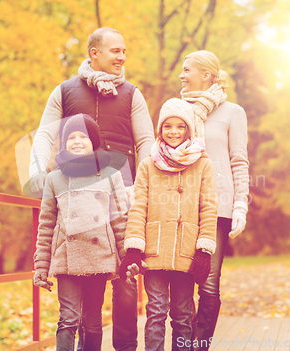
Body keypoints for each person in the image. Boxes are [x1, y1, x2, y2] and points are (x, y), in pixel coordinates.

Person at [28, 27, 154, 351]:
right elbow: (44, 134)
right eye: (116, 51)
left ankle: (125, 346)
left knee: (126, 281)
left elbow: (146, 143)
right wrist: (37, 171)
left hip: (122, 195)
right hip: (78, 198)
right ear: (94, 53)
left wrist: (142, 189)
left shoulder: (132, 94)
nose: (122, 57)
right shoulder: (65, 91)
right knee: (83, 293)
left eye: (124, 51)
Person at [120, 98, 218, 351]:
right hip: (155, 251)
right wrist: (133, 248)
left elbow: (208, 208)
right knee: (155, 311)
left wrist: (204, 250)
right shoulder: (147, 166)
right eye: (167, 126)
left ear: (189, 130)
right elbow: (138, 207)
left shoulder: (203, 164)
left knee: (184, 313)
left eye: (180, 126)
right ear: (160, 130)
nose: (173, 132)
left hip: (187, 251)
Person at [33, 114, 129, 351]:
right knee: (68, 318)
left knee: (93, 319)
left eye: (83, 137)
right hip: (67, 257)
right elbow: (46, 224)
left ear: (93, 140)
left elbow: (119, 220)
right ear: (64, 142)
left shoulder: (111, 174)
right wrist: (41, 266)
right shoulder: (54, 177)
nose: (77, 141)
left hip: (99, 256)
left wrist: (127, 258)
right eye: (71, 137)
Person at [179, 50, 249, 350]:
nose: (181, 75)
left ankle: (200, 345)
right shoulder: (176, 109)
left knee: (208, 282)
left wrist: (240, 205)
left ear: (206, 74)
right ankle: (183, 342)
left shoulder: (233, 112)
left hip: (217, 207)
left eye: (187, 70)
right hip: (180, 206)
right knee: (180, 282)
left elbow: (239, 161)